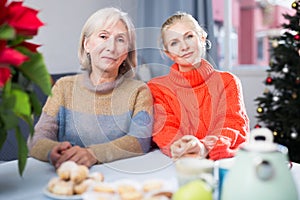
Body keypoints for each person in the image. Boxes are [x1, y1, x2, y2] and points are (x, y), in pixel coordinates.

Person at [27, 7, 153, 169]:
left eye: (120, 40)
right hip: (68, 175)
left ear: (127, 52)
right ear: (86, 44)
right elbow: (37, 138)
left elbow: (140, 141)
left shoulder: (140, 90)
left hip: (119, 179)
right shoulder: (64, 87)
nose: (111, 47)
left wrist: (93, 154)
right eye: (103, 36)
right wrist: (52, 151)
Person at [147, 12, 249, 160]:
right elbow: (165, 129)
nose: (184, 47)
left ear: (202, 38)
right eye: (174, 43)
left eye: (189, 36)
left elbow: (233, 125)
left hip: (222, 163)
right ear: (168, 53)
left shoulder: (228, 82)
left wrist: (204, 147)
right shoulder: (157, 87)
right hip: (180, 163)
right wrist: (184, 147)